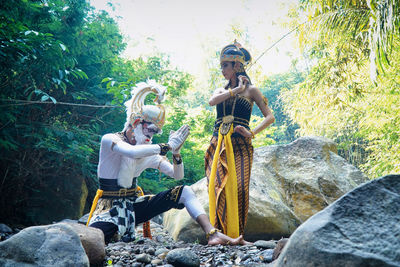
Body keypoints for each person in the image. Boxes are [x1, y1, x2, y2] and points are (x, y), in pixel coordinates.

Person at [87, 80, 245, 245]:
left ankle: (212, 234)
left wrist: (176, 153)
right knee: (95, 240)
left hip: (132, 206)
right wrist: (167, 146)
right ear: (135, 123)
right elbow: (131, 152)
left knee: (184, 191)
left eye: (156, 133)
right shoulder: (110, 140)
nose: (151, 137)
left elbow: (177, 175)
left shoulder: (147, 150)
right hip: (108, 209)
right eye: (150, 130)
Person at [205, 42, 275, 238]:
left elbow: (270, 117)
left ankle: (237, 235)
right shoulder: (221, 90)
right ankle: (217, 233)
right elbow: (212, 102)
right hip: (218, 141)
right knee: (216, 185)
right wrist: (236, 90)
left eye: (225, 66)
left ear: (237, 66)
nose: (222, 71)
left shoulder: (252, 91)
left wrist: (251, 132)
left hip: (240, 144)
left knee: (241, 187)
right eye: (221, 66)